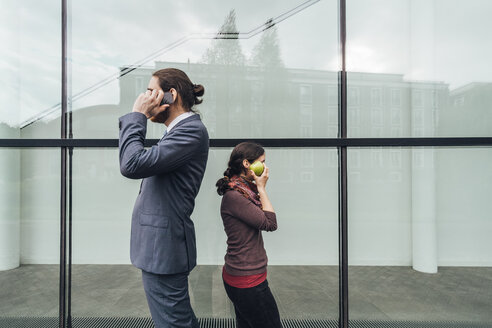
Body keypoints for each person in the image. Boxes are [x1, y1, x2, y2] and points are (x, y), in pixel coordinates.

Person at [119, 68, 209, 328]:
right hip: (160, 248)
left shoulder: (191, 131)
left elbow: (132, 164)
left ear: (171, 95)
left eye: (151, 91)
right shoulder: (176, 132)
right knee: (176, 320)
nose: (145, 97)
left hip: (164, 250)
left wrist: (138, 116)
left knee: (172, 323)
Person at [215, 142, 282, 328]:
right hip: (247, 281)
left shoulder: (243, 191)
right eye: (262, 162)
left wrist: (258, 187)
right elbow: (270, 223)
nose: (266, 167)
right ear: (247, 164)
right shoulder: (235, 196)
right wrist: (262, 187)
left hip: (245, 276)